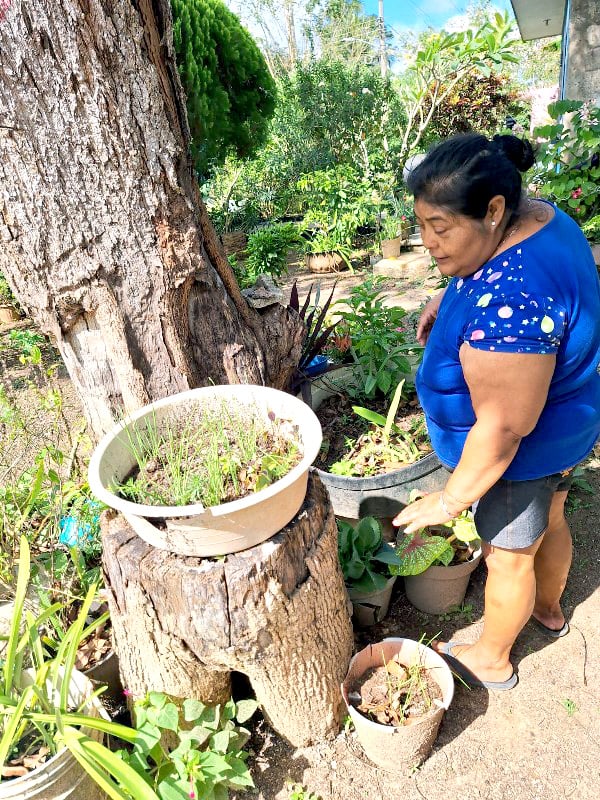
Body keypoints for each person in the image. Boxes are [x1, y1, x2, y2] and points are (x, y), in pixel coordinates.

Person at [393, 133, 600, 690]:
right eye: (422, 226)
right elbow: (506, 272)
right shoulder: (540, 220)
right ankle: (549, 609)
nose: (427, 243)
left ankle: (492, 658)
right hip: (569, 425)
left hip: (520, 459)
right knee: (550, 518)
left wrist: (452, 497)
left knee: (508, 558)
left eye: (440, 228)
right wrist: (455, 294)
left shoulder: (514, 298)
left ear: (492, 210)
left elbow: (505, 427)